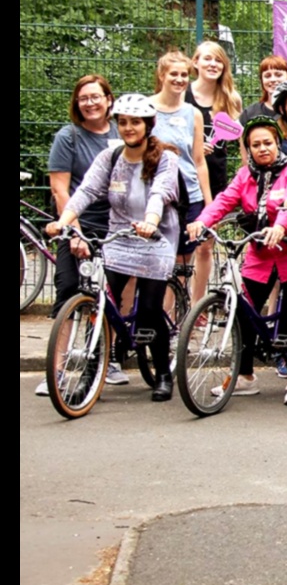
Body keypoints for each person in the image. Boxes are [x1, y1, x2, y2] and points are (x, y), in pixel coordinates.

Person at [45, 94, 182, 401]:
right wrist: (64, 222)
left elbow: (160, 192)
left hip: (156, 238)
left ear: (148, 125)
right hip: (118, 239)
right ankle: (93, 375)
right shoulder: (110, 157)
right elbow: (86, 191)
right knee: (102, 306)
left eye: (135, 122)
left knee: (149, 309)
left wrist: (150, 221)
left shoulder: (166, 158)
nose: (128, 128)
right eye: (122, 122)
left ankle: (162, 373)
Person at [189, 118, 287, 405]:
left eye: (267, 143)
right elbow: (224, 201)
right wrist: (201, 222)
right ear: (248, 149)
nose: (262, 149)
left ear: (277, 144)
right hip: (261, 253)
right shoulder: (245, 175)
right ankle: (245, 376)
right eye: (255, 145)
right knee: (243, 310)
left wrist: (281, 226)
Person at [41, 76, 123, 392]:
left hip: (115, 224)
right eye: (83, 98)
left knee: (112, 294)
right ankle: (58, 370)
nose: (89, 103)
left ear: (108, 99)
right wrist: (73, 232)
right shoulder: (69, 137)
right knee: (69, 292)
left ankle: (106, 361)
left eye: (95, 97)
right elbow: (60, 189)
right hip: (75, 222)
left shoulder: (121, 133)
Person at [151, 51, 209, 303]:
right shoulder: (146, 108)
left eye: (184, 74)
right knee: (154, 261)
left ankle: (172, 319)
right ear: (162, 75)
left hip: (189, 197)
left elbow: (198, 160)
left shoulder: (193, 113)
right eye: (173, 74)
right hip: (155, 195)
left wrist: (209, 203)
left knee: (182, 263)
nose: (179, 79)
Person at [187, 40, 243, 198]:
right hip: (186, 177)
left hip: (217, 177)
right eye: (208, 59)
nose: (213, 64)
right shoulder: (183, 94)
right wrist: (195, 148)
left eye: (218, 61)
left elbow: (239, 136)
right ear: (195, 62)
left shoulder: (231, 99)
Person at [239, 55, 287, 126]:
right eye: (267, 76)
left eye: (278, 75)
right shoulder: (250, 113)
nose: (273, 79)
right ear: (262, 80)